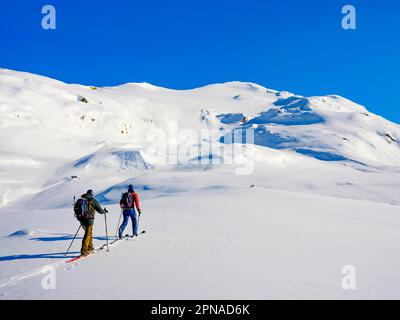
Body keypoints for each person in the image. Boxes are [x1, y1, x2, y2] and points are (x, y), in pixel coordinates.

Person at [76, 189, 107, 256]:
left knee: (89, 233)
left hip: (81, 220)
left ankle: (90, 247)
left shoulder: (80, 200)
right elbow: (100, 210)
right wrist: (104, 211)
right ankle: (84, 251)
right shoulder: (92, 200)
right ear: (92, 194)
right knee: (88, 234)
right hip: (89, 220)